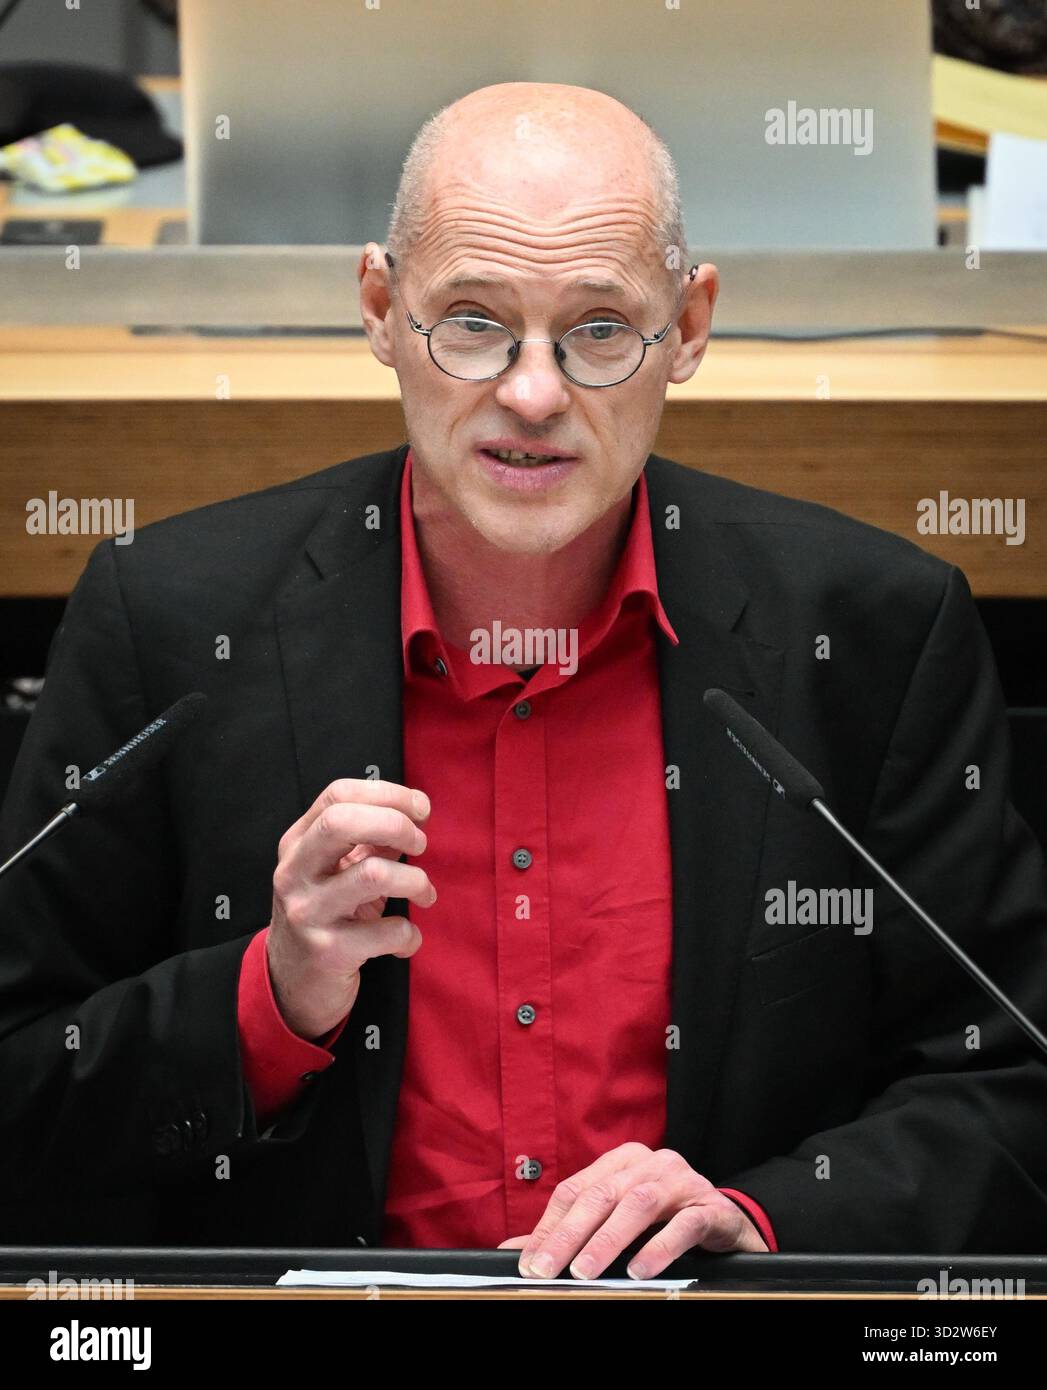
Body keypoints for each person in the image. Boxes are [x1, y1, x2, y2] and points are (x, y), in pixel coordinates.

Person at [1, 83, 1046, 1278]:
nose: (534, 394)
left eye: (600, 328)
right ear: (382, 309)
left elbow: (1007, 1083)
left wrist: (760, 1223)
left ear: (690, 328)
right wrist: (269, 997)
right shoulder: (169, 622)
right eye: (474, 322)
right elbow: (23, 1084)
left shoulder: (875, 635)